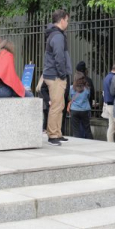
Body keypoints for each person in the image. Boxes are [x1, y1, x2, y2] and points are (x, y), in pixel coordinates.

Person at [42, 9, 72, 146]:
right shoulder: (58, 36)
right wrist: (62, 73)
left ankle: (57, 132)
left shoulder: (54, 34)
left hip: (53, 74)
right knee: (56, 105)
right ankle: (53, 135)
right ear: (62, 20)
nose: (68, 23)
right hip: (56, 76)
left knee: (59, 105)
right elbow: (59, 56)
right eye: (67, 20)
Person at [69, 71, 93, 138]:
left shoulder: (71, 88)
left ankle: (77, 143)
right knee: (87, 128)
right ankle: (91, 142)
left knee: (76, 130)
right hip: (85, 110)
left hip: (74, 109)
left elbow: (70, 98)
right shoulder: (87, 88)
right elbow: (88, 97)